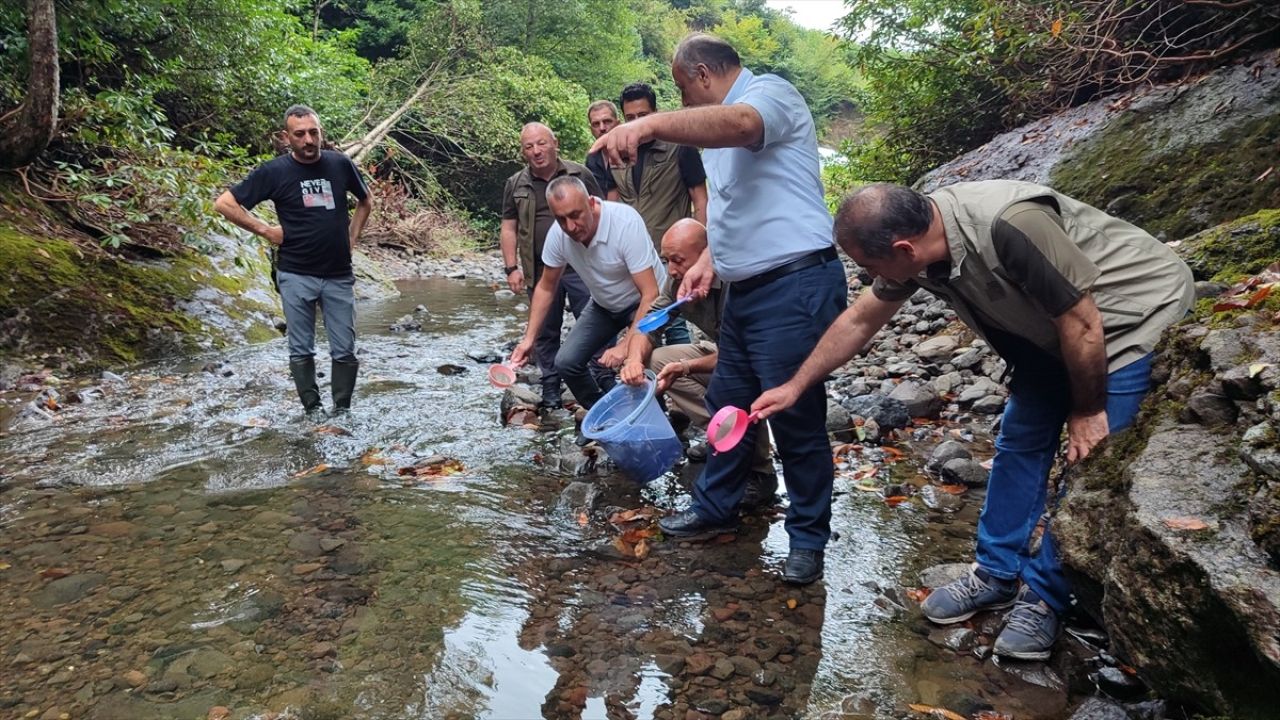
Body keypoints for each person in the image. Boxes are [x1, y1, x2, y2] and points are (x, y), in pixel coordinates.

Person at [752, 180, 1195, 659]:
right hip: (1048, 328)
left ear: (903, 248)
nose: (865, 275)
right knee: (1019, 444)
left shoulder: (1011, 223)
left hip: (1128, 317)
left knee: (1092, 462)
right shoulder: (919, 249)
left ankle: (1046, 596)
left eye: (868, 265)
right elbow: (861, 319)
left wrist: (1087, 412)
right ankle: (997, 572)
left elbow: (1083, 321)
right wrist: (796, 385)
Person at [590, 33, 848, 586]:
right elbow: (735, 204)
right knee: (728, 409)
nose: (684, 106)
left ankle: (807, 539)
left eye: (683, 92)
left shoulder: (771, 95)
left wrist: (649, 125)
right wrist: (711, 255)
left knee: (795, 417)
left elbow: (742, 126)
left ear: (703, 75)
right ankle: (715, 507)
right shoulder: (715, 137)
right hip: (749, 289)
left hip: (795, 281)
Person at [214, 104, 372, 416]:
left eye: (314, 132)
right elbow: (225, 204)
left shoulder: (340, 164)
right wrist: (265, 230)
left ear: (321, 132)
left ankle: (342, 412)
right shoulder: (274, 171)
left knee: (344, 350)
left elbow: (365, 201)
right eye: (300, 134)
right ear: (287, 137)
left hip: (339, 274)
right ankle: (313, 412)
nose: (308, 139)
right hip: (296, 273)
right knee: (301, 349)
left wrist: (351, 238)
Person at [625, 219, 776, 506]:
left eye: (678, 260)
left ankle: (761, 473)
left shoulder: (737, 281)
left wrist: (685, 367)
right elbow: (649, 325)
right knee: (656, 360)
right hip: (722, 354)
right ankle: (722, 436)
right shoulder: (678, 281)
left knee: (736, 386)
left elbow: (739, 356)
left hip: (758, 365)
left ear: (707, 253)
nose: (671, 269)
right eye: (666, 260)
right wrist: (633, 360)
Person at [510, 177, 662, 416]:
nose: (570, 227)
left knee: (644, 362)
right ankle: (605, 415)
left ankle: (658, 419)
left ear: (591, 203)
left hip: (647, 304)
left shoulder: (624, 223)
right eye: (561, 219)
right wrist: (529, 339)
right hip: (605, 304)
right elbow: (546, 287)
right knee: (566, 362)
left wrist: (626, 345)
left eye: (576, 215)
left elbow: (651, 293)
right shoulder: (558, 236)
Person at [500, 122, 607, 410]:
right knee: (546, 329)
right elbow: (509, 226)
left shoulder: (579, 174)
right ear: (523, 152)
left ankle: (598, 376)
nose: (536, 151)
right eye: (529, 147)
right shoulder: (516, 183)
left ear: (555, 142)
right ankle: (550, 385)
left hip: (581, 266)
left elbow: (600, 211)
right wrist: (511, 268)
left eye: (541, 143)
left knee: (593, 320)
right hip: (538, 269)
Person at [605, 82, 708, 347]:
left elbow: (701, 199)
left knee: (673, 321)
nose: (636, 123)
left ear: (655, 113)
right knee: (642, 319)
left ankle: (682, 374)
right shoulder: (617, 154)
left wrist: (702, 251)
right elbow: (613, 205)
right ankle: (644, 378)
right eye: (630, 118)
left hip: (670, 253)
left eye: (643, 116)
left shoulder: (680, 147)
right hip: (633, 255)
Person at [585, 100, 619, 195]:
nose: (602, 128)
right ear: (591, 129)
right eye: (596, 124)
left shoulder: (632, 152)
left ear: (618, 124)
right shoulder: (592, 158)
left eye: (607, 121)